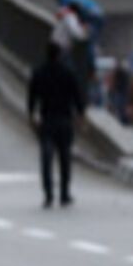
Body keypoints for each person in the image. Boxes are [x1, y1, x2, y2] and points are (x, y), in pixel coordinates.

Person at [27, 42, 85, 208]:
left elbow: (32, 96)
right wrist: (80, 116)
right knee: (65, 157)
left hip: (47, 120)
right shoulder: (68, 73)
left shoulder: (39, 73)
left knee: (46, 157)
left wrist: (31, 115)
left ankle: (48, 194)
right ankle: (64, 193)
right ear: (60, 55)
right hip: (65, 120)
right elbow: (77, 96)